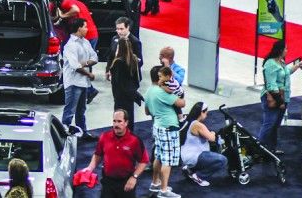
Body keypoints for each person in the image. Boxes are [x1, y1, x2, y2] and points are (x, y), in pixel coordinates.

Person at [80, 110, 149, 198]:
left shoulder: (134, 140)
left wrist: (134, 177)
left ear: (126, 122)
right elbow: (98, 154)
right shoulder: (104, 137)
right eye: (114, 121)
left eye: (119, 121)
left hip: (126, 182)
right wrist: (90, 167)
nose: (116, 125)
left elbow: (143, 161)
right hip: (108, 182)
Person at [145, 66, 186, 198]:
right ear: (159, 77)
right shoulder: (162, 92)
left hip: (157, 126)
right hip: (168, 127)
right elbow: (182, 103)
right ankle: (163, 191)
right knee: (167, 160)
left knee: (159, 156)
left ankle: (155, 183)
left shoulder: (149, 91)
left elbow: (147, 111)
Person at [258, 39, 300, 153]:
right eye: (286, 48)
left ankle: (271, 149)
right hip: (274, 98)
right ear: (281, 50)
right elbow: (271, 85)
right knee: (269, 124)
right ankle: (258, 149)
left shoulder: (280, 62)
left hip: (283, 98)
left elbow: (286, 72)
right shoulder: (271, 64)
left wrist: (298, 65)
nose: (287, 50)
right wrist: (280, 102)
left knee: (275, 125)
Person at [61, 18, 97, 136]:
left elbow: (94, 58)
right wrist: (89, 74)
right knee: (69, 111)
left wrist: (84, 64)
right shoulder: (70, 46)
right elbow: (75, 66)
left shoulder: (85, 42)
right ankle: (63, 133)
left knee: (81, 111)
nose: (87, 29)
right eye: (85, 27)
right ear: (79, 28)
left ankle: (83, 133)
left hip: (83, 82)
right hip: (73, 83)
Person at [180, 103, 228, 187]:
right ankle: (199, 176)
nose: (206, 115)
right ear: (201, 112)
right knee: (222, 160)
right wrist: (212, 132)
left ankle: (190, 169)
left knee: (212, 150)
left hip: (186, 155)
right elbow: (212, 138)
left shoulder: (188, 120)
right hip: (194, 156)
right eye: (206, 113)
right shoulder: (197, 125)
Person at [108, 34, 142, 123]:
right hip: (130, 95)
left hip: (120, 96)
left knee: (120, 119)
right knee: (129, 118)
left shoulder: (118, 63)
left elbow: (118, 82)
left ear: (119, 47)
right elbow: (136, 79)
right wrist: (134, 93)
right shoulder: (133, 60)